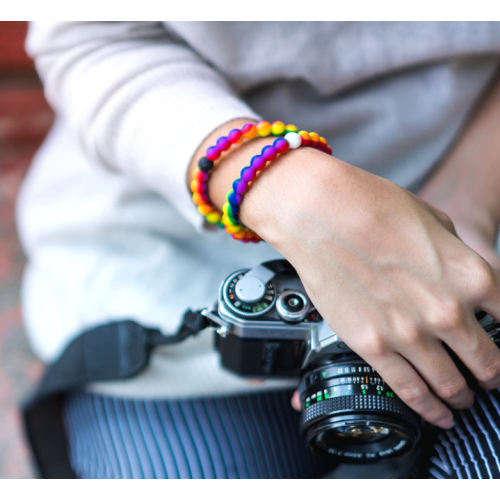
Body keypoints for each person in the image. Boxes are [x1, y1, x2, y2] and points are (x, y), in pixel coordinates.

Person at [18, 21, 500, 479]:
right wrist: (305, 203)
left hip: (462, 246)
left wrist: (465, 207)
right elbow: (93, 42)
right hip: (162, 256)